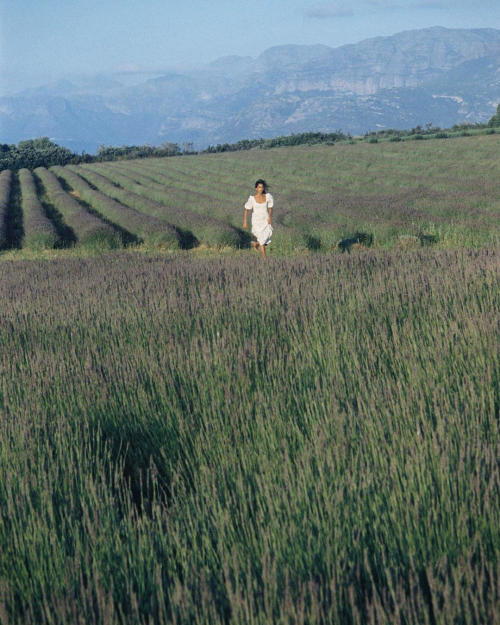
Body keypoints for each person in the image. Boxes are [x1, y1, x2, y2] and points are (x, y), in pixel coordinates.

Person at [242, 179, 274, 259]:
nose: (261, 189)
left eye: (262, 187)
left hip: (265, 218)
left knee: (268, 233)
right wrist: (245, 222)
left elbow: (270, 208)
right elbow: (246, 209)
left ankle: (256, 244)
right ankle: (264, 258)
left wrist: (269, 216)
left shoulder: (268, 196)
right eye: (259, 187)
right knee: (261, 238)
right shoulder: (252, 199)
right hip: (256, 219)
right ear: (256, 188)